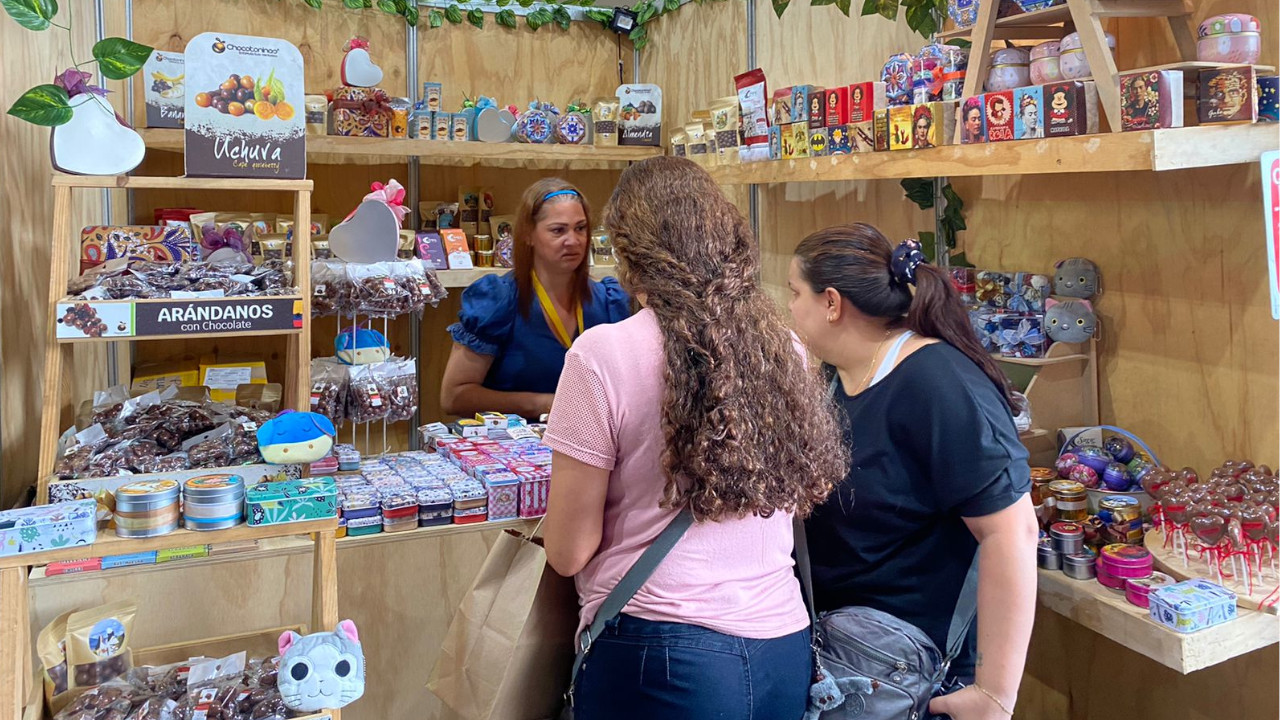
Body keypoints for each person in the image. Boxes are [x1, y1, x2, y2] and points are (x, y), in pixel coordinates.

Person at [542, 157, 848, 720]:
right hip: (783, 645)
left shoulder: (600, 355)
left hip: (657, 654)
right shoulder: (784, 348)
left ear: (630, 256)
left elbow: (568, 552)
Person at [787, 224, 1039, 720]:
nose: (789, 308)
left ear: (832, 303)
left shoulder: (939, 384)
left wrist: (995, 693)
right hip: (844, 656)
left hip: (909, 672)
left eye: (795, 293)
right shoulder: (838, 376)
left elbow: (1013, 532)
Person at [440, 178, 631, 419]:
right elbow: (454, 397)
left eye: (580, 228)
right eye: (558, 230)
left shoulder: (610, 303)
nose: (573, 240)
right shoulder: (498, 300)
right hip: (510, 449)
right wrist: (541, 404)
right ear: (528, 234)